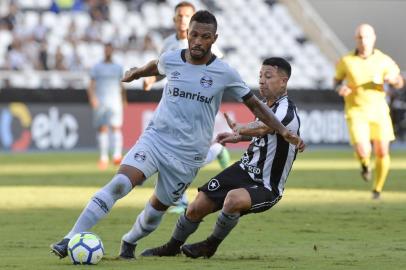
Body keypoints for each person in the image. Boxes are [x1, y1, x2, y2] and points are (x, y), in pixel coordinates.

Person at [50, 10, 303, 260]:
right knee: (120, 183)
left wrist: (282, 131)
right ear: (188, 34)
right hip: (156, 140)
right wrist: (136, 73)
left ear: (214, 39)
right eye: (193, 35)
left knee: (156, 210)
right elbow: (156, 66)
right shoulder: (173, 58)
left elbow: (256, 106)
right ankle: (70, 237)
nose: (198, 41)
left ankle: (129, 241)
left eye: (205, 37)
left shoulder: (225, 73)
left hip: (188, 156)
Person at [138, 57, 302, 258]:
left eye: (268, 76)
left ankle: (210, 245)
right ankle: (172, 247)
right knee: (198, 204)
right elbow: (263, 134)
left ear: (283, 81)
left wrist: (242, 128)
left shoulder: (286, 111)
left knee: (233, 200)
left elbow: (265, 127)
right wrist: (238, 136)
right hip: (244, 169)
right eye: (260, 76)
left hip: (267, 184)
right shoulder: (264, 105)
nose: (261, 81)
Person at [143, 1, 230, 214]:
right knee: (172, 151)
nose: (182, 20)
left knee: (186, 156)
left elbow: (217, 68)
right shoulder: (168, 43)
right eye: (179, 16)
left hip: (197, 106)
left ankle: (216, 150)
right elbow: (162, 67)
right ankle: (179, 199)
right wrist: (152, 79)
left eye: (186, 16)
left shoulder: (206, 46)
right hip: (175, 105)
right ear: (174, 20)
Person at [334, 24, 404, 200]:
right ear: (355, 39)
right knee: (364, 149)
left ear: (374, 38)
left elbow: (399, 82)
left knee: (381, 151)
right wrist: (340, 88)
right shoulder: (346, 60)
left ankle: (377, 189)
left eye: (366, 37)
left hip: (379, 110)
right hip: (356, 110)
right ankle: (365, 165)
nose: (363, 41)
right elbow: (336, 81)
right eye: (360, 37)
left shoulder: (383, 60)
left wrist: (393, 80)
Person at [87, 43, 126, 170]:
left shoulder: (118, 67)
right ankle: (103, 157)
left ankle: (117, 155)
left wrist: (124, 99)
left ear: (112, 51)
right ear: (104, 51)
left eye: (110, 49)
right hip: (101, 101)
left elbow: (122, 85)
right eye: (106, 50)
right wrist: (92, 98)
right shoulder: (97, 67)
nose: (108, 52)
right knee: (102, 128)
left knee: (116, 127)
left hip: (115, 101)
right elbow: (91, 84)